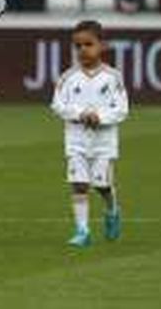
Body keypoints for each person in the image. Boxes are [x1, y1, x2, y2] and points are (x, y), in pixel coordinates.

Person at [51, 20, 128, 247]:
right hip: (76, 140)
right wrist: (79, 114)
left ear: (101, 46)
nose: (83, 50)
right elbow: (57, 105)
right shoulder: (67, 77)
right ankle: (82, 231)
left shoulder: (113, 77)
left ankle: (112, 209)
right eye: (78, 46)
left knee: (101, 185)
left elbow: (122, 109)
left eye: (88, 44)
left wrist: (100, 117)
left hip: (103, 142)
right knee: (78, 184)